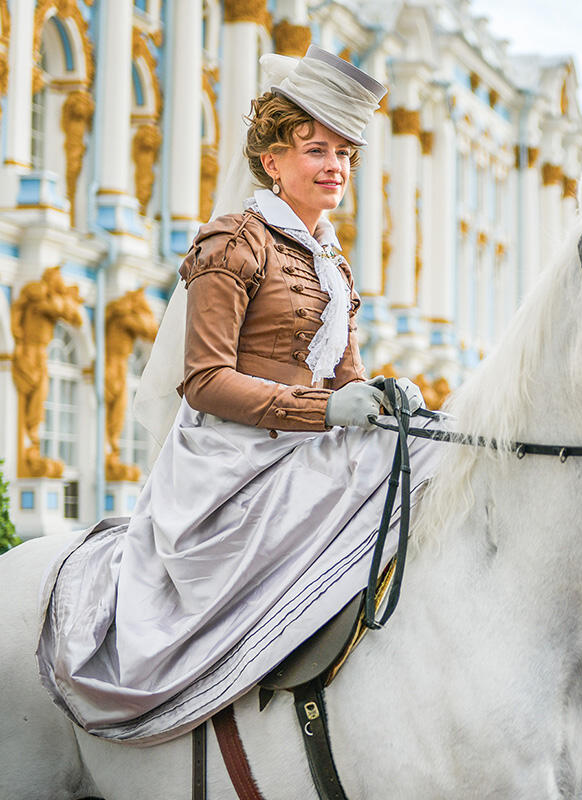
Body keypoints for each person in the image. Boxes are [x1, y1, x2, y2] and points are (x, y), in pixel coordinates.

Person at [35, 46, 442, 745]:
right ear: (272, 161)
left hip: (307, 451)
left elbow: (344, 378)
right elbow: (205, 381)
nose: (335, 166)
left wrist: (379, 395)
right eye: (316, 148)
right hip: (234, 465)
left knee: (433, 449)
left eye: (345, 153)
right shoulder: (234, 242)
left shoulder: (332, 261)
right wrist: (325, 412)